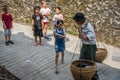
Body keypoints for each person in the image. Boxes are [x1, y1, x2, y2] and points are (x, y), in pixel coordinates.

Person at [73, 12, 99, 80]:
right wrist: (80, 35)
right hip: (84, 46)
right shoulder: (81, 25)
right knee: (81, 60)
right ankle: (84, 75)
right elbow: (82, 34)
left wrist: (84, 36)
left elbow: (92, 35)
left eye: (76, 20)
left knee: (91, 62)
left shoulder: (88, 25)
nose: (76, 22)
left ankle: (94, 77)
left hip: (90, 47)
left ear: (80, 20)